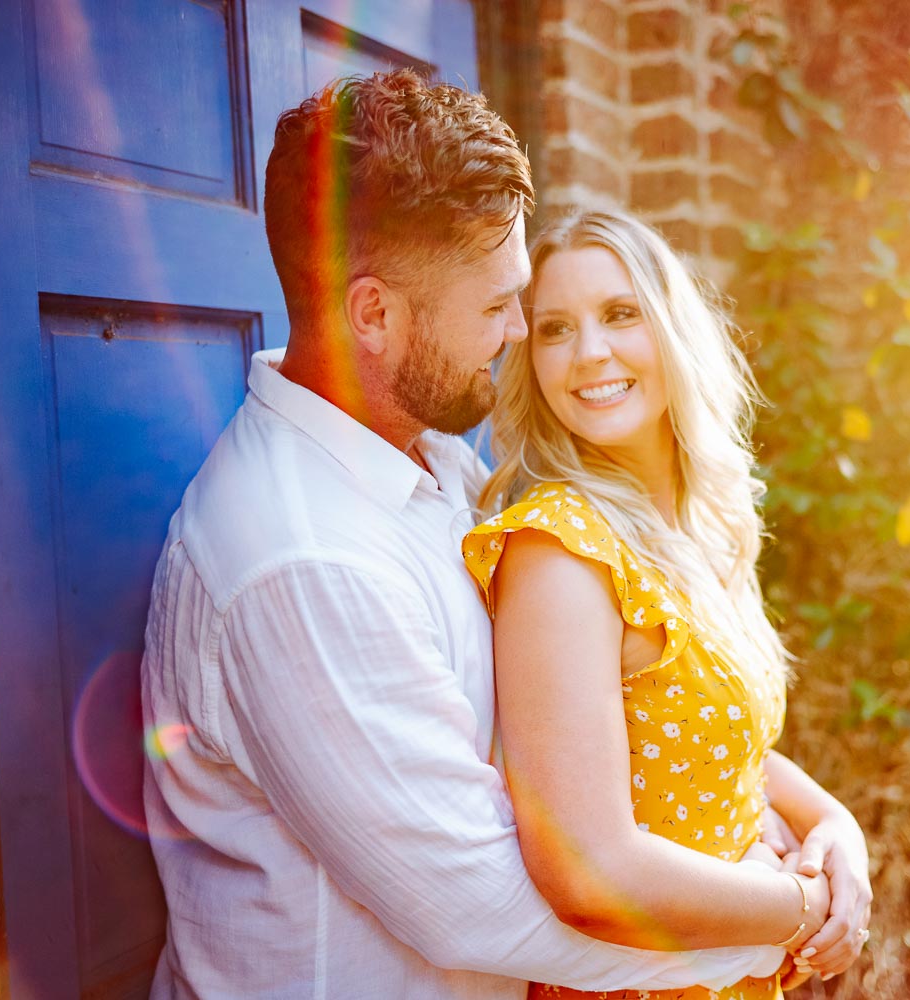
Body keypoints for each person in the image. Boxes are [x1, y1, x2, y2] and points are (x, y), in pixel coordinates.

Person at [140, 70, 786, 999]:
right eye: (496, 307)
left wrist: (790, 823)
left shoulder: (431, 463)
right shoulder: (300, 557)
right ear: (375, 315)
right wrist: (784, 927)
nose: (521, 332)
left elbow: (608, 710)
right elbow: (477, 900)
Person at [462, 208, 873, 999]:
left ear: (672, 328)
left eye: (621, 315)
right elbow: (590, 873)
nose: (590, 354)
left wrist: (836, 826)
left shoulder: (695, 526)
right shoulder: (561, 552)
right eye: (554, 329)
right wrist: (806, 905)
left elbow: (715, 743)